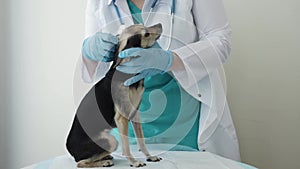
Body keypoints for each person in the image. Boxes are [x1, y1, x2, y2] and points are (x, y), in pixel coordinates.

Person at [80, 0, 240, 161]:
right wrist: (89, 51)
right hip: (124, 128)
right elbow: (93, 71)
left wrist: (171, 60)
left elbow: (221, 40)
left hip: (185, 126)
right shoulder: (97, 3)